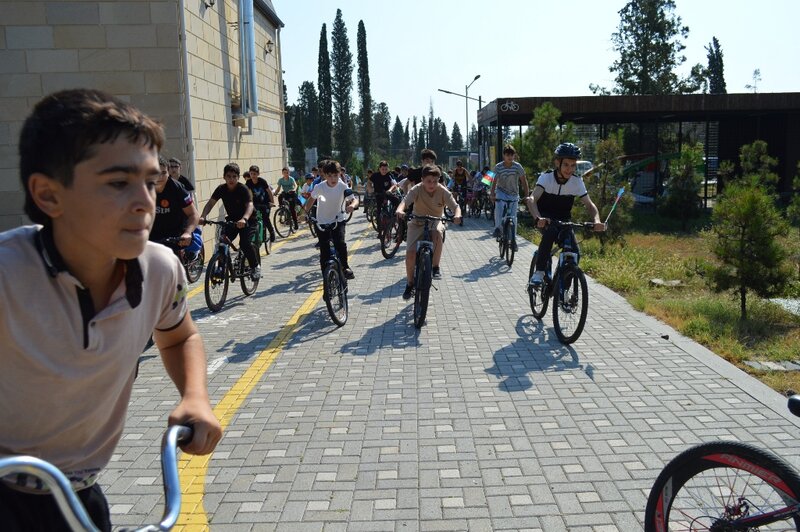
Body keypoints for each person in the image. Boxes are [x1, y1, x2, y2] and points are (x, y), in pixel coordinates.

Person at [0, 88, 222, 531]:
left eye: (151, 181)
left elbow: (180, 335)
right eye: (119, 183)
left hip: (78, 496)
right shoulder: (7, 276)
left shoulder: (160, 270)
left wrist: (195, 397)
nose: (145, 202)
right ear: (48, 195)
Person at [524, 142, 606, 285]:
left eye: (573, 165)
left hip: (564, 220)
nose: (570, 169)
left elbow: (590, 205)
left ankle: (563, 288)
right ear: (557, 163)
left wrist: (597, 220)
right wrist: (538, 218)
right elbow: (532, 199)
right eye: (566, 164)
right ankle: (539, 272)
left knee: (575, 252)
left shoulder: (577, 181)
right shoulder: (546, 178)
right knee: (550, 233)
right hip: (545, 217)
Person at [396, 164, 462, 299]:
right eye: (428, 181)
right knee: (410, 255)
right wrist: (400, 210)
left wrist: (457, 215)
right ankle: (410, 284)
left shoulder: (443, 191)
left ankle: (435, 266)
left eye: (435, 181)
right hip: (417, 222)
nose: (432, 184)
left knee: (437, 233)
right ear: (422, 180)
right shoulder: (417, 189)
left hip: (435, 221)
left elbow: (456, 206)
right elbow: (405, 202)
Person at [199, 162, 260, 279]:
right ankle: (220, 268)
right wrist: (203, 216)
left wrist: (244, 218)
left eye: (234, 177)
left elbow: (250, 205)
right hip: (232, 221)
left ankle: (255, 267)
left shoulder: (243, 189)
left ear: (238, 177)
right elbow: (210, 203)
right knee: (222, 242)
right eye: (228, 176)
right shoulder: (221, 189)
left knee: (245, 243)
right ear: (224, 177)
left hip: (248, 220)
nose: (231, 179)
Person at [304, 159, 358, 280]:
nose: (333, 179)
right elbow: (311, 200)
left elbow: (354, 199)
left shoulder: (342, 186)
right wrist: (305, 212)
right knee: (324, 251)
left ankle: (345, 267)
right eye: (330, 176)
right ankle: (326, 279)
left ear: (339, 174)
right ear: (324, 175)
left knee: (340, 243)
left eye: (335, 175)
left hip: (338, 220)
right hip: (322, 221)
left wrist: (352, 206)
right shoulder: (319, 187)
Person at [150, 156, 200, 260]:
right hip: (152, 235)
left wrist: (187, 233)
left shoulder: (177, 188)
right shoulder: (143, 188)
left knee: (173, 267)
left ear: (168, 173)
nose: (159, 177)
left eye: (163, 173)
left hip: (174, 235)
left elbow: (193, 214)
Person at [490, 144, 529, 252]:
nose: (510, 157)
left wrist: (527, 195)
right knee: (499, 207)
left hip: (513, 194)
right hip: (501, 192)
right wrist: (492, 194)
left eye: (512, 155)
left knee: (513, 217)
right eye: (507, 155)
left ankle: (513, 240)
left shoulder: (518, 166)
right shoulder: (498, 166)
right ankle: (498, 228)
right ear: (503, 155)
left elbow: (524, 181)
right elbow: (494, 181)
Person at [245, 164, 277, 247]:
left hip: (265, 203)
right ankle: (254, 237)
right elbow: (248, 194)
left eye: (254, 174)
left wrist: (272, 202)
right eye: (251, 174)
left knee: (266, 218)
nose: (253, 176)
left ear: (258, 174)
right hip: (255, 203)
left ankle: (272, 232)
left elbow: (269, 192)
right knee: (252, 219)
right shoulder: (248, 182)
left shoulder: (262, 181)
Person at [369, 160, 400, 235]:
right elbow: (369, 183)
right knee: (379, 213)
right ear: (379, 169)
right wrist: (370, 189)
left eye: (386, 169)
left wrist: (389, 190)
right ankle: (380, 231)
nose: (384, 171)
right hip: (378, 194)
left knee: (397, 201)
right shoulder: (375, 175)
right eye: (382, 169)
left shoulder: (389, 175)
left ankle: (395, 217)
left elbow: (394, 184)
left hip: (388, 193)